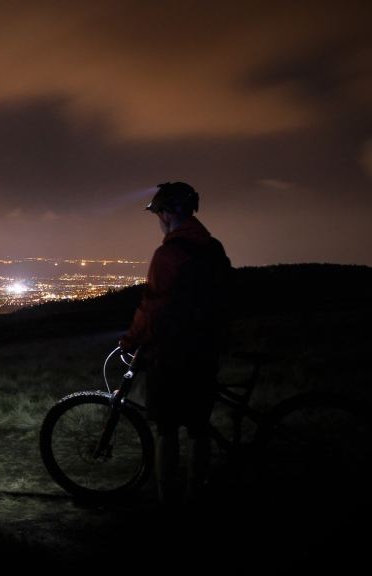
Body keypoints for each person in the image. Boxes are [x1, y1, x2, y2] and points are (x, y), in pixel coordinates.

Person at [119, 181, 232, 509]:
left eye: (159, 213)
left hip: (171, 354)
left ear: (167, 213)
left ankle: (168, 502)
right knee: (199, 428)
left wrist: (131, 339)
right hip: (206, 351)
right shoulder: (213, 248)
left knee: (167, 429)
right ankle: (198, 495)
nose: (158, 220)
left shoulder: (168, 253)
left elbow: (153, 304)